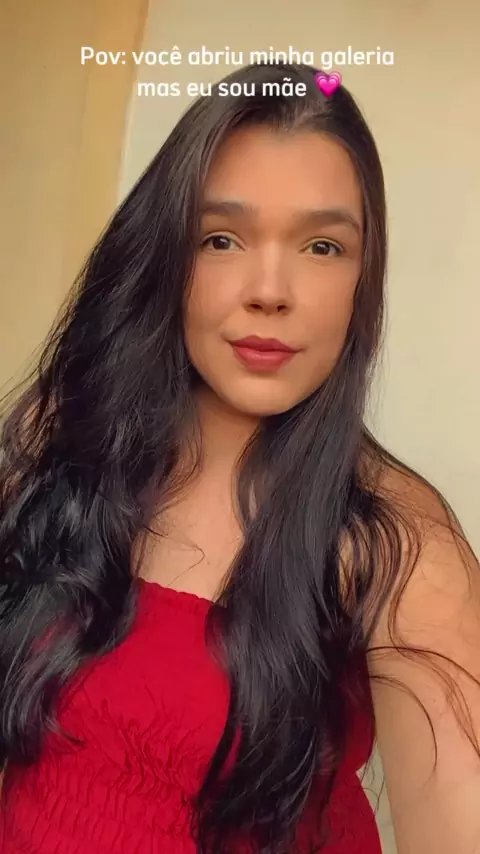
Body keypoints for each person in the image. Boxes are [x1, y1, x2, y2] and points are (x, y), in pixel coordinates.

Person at [0, 61, 479, 854]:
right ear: (165, 256)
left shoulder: (393, 537)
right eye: (221, 238)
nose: (270, 290)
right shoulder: (67, 442)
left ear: (363, 280)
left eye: (323, 246)